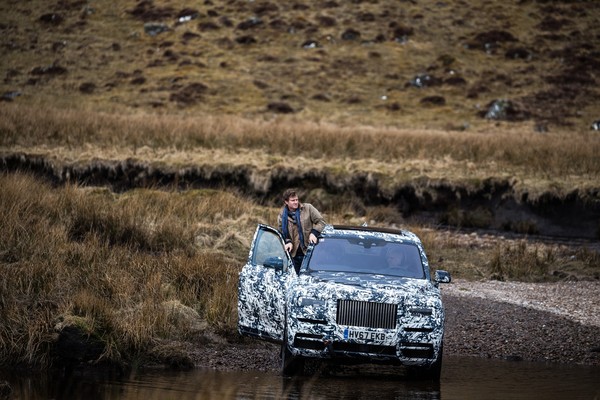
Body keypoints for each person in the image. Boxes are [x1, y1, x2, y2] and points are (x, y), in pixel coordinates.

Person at [277, 188, 326, 273]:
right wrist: (288, 241)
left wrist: (314, 233)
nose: (296, 202)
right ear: (286, 202)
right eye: (293, 200)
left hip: (309, 253)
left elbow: (321, 222)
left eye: (297, 199)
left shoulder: (308, 208)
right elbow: (281, 232)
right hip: (292, 255)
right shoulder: (282, 215)